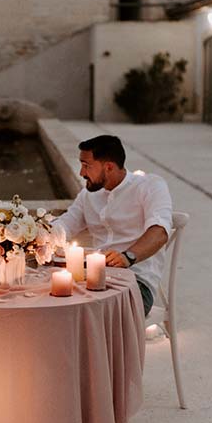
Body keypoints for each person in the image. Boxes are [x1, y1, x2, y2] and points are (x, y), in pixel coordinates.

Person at [55, 135, 172, 316]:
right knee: (53, 301)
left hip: (136, 284)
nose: (81, 173)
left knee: (83, 312)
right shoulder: (88, 195)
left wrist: (128, 257)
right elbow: (65, 225)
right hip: (93, 278)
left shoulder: (150, 186)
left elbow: (160, 232)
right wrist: (34, 231)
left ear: (108, 167)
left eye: (86, 166)